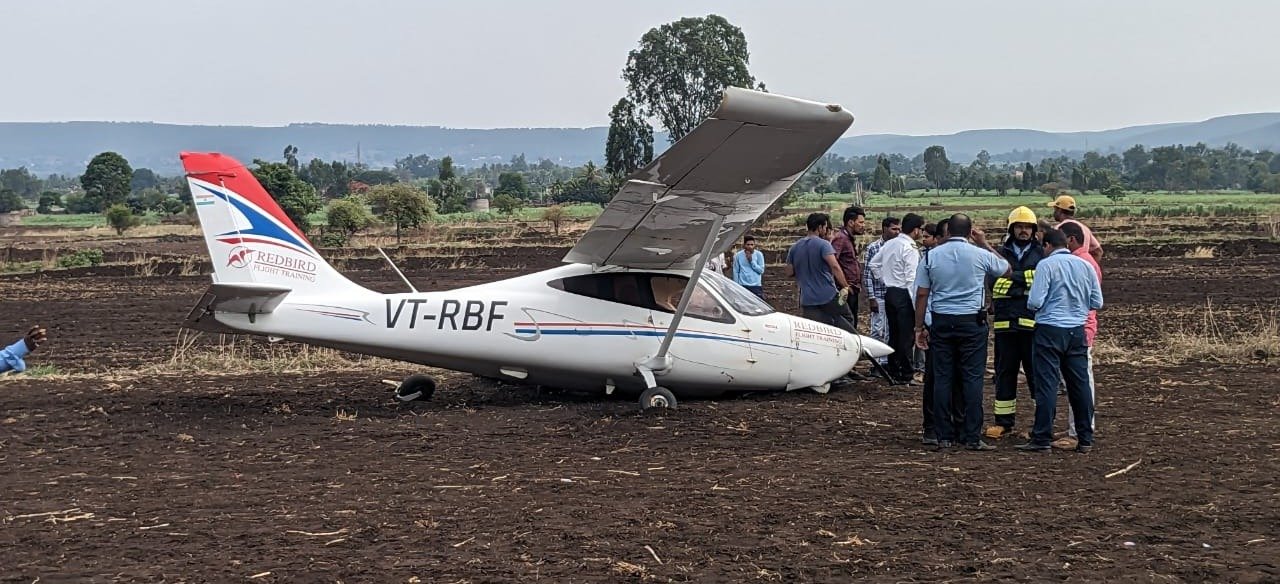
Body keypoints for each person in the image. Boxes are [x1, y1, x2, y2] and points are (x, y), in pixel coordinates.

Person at [913, 214, 1010, 451]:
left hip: (942, 321)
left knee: (942, 378)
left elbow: (922, 294)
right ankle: (971, 436)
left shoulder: (930, 256)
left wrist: (919, 328)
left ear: (946, 233)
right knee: (972, 379)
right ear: (969, 232)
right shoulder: (980, 255)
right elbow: (1006, 270)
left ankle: (944, 435)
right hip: (971, 323)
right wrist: (984, 244)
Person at [1016, 228, 1103, 454]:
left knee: (1047, 385)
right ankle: (1085, 438)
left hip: (1049, 330)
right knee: (1080, 384)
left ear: (1047, 245)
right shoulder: (1086, 264)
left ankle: (1042, 437)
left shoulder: (1046, 265)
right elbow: (1097, 301)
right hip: (1077, 331)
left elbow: (1034, 301)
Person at [984, 206, 1047, 439]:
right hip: (1005, 326)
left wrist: (1011, 278)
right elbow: (994, 284)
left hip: (1032, 326)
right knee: (1004, 373)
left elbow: (1041, 281)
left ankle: (1041, 423)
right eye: (1019, 227)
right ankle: (1004, 422)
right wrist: (1026, 281)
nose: (1024, 231)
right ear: (1011, 229)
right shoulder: (1000, 253)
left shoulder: (1042, 254)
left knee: (1036, 375)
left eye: (1028, 227)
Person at [1055, 221, 1102, 450]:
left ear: (1070, 240)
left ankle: (1078, 432)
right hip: (1083, 328)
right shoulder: (1089, 261)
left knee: (1079, 383)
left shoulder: (1079, 263)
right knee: (1079, 381)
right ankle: (1079, 429)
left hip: (1077, 329)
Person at [869, 212, 924, 384]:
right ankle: (906, 374)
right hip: (904, 294)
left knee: (894, 333)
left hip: (890, 293)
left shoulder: (890, 243)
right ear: (915, 230)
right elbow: (911, 279)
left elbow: (873, 265)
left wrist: (884, 280)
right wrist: (916, 304)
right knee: (906, 336)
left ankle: (893, 369)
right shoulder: (910, 248)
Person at [785, 213, 856, 335]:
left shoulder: (795, 247)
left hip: (807, 298)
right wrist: (845, 286)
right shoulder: (824, 245)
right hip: (828, 295)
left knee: (815, 329)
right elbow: (834, 266)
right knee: (847, 318)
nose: (825, 230)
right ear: (820, 228)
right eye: (825, 227)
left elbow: (789, 272)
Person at [863, 217, 900, 374]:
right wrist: (872, 297)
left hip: (894, 295)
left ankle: (887, 362)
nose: (897, 232)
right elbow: (868, 274)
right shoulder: (874, 247)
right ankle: (877, 364)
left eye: (899, 229)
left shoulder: (899, 247)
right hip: (879, 294)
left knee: (892, 329)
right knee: (878, 329)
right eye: (894, 229)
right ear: (884, 229)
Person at [830, 207, 867, 327]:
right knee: (847, 324)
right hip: (845, 291)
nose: (863, 225)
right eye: (860, 222)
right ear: (851, 222)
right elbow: (833, 263)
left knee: (852, 322)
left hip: (851, 289)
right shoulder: (841, 238)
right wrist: (845, 286)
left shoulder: (848, 239)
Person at [1046, 195, 1103, 263]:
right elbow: (1098, 252)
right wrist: (1089, 266)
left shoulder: (1057, 229)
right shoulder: (1085, 228)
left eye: (1055, 209)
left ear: (1059, 210)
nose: (1054, 212)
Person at [732, 235, 767, 300]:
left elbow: (761, 270)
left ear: (754, 245)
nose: (750, 246)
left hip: (756, 285)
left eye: (752, 244)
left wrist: (752, 261)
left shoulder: (759, 254)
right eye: (748, 244)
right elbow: (736, 271)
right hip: (743, 285)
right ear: (744, 245)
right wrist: (736, 286)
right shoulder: (738, 255)